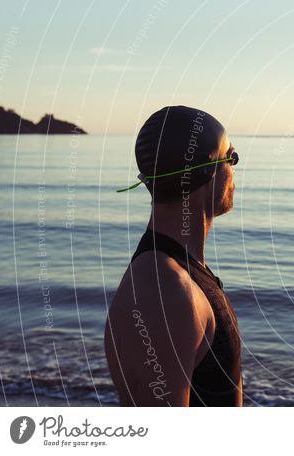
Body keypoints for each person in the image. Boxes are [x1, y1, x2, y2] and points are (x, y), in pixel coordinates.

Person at [104, 106, 242, 406]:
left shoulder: (178, 276)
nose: (234, 169)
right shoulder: (164, 293)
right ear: (209, 170)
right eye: (231, 157)